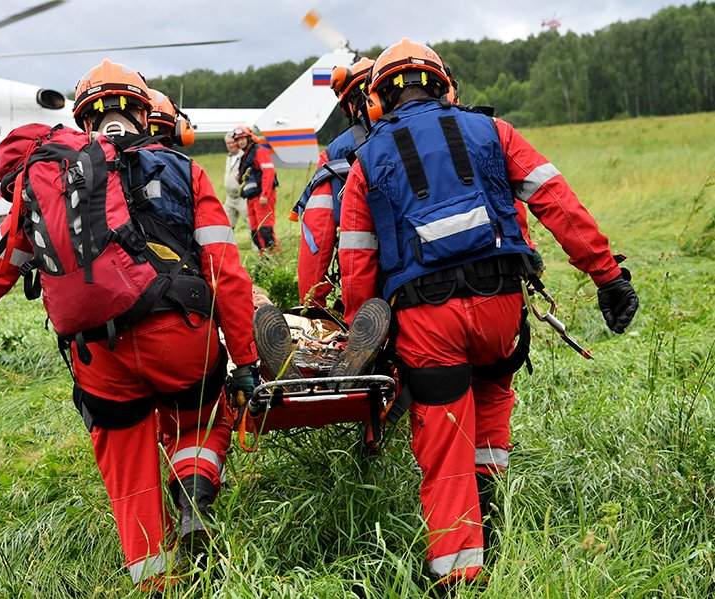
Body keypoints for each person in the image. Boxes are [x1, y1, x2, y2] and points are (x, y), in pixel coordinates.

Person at [0, 59, 260, 590]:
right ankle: (194, 492)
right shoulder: (186, 170)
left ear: (82, 121)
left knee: (126, 461)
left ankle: (154, 580)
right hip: (182, 333)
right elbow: (225, 273)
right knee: (201, 418)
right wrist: (247, 359)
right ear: (144, 112)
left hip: (99, 352)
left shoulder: (50, 178)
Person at [336, 38, 639, 585]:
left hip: (428, 321)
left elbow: (358, 265)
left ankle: (458, 575)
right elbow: (557, 203)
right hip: (501, 308)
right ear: (445, 85)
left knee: (444, 436)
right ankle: (491, 505)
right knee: (493, 394)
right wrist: (608, 276)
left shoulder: (365, 162)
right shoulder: (493, 132)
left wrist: (368, 343)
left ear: (376, 101)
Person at [293, 57, 375, 309]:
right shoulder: (460, 129)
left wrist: (312, 304)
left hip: (374, 296)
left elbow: (316, 236)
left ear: (352, 103)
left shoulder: (338, 152)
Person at [233, 126, 278, 254]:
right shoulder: (245, 156)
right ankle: (263, 257)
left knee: (265, 229)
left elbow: (268, 173)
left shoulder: (260, 151)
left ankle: (274, 256)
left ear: (249, 138)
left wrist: (265, 194)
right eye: (238, 140)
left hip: (262, 196)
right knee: (255, 231)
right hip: (251, 197)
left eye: (242, 138)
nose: (240, 142)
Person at [222, 132, 246, 229]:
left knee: (251, 223)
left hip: (243, 197)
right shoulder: (229, 157)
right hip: (230, 197)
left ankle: (258, 244)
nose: (231, 145)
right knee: (225, 223)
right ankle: (226, 244)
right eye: (228, 143)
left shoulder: (244, 156)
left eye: (233, 142)